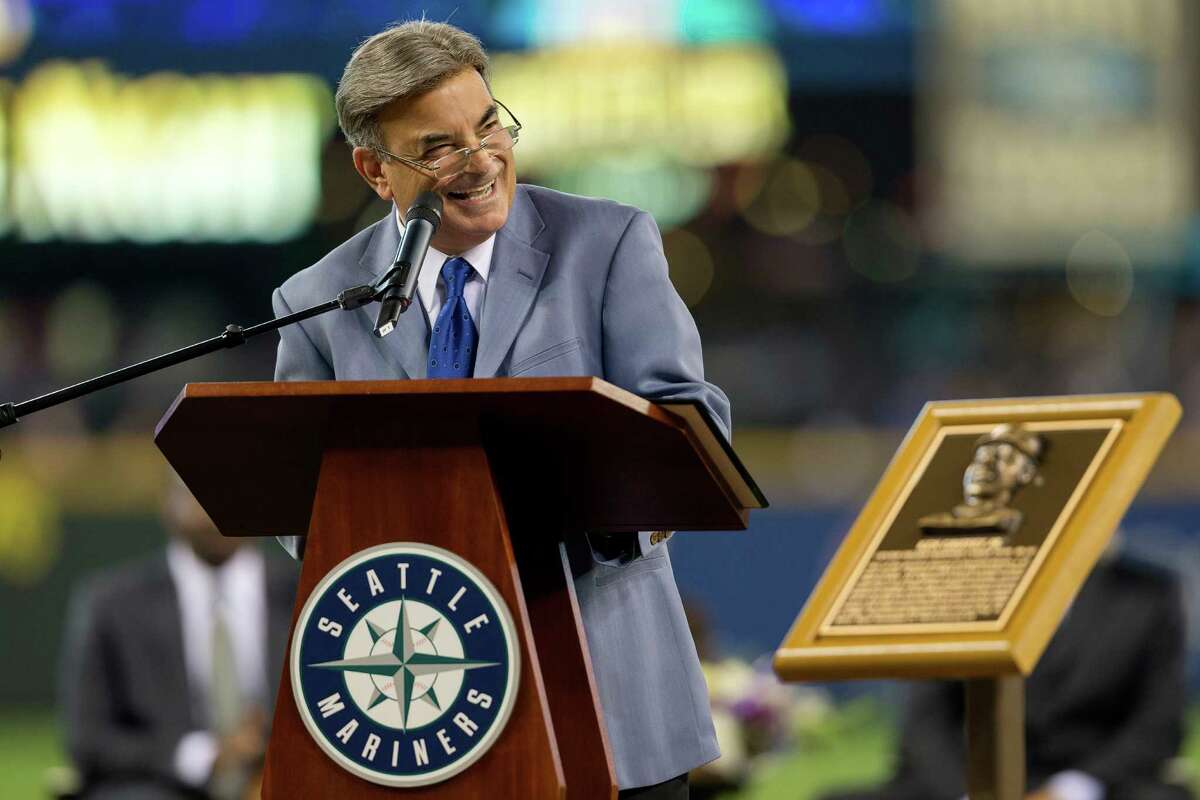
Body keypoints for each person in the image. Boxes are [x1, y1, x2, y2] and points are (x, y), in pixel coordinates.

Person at [271, 20, 729, 798]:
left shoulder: (606, 243)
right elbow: (296, 503)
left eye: (489, 125)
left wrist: (599, 507)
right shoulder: (317, 299)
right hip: (420, 709)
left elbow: (687, 424)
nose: (483, 160)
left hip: (604, 689)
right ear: (375, 170)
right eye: (440, 146)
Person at [820, 556, 1193, 800]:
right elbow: (926, 725)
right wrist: (971, 794)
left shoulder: (1147, 595)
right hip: (967, 782)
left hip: (1091, 783)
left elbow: (1156, 727)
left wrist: (1069, 790)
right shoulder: (963, 587)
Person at [60, 480, 297, 799]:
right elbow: (88, 738)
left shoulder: (306, 592)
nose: (216, 507)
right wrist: (205, 756)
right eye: (198, 488)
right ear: (169, 503)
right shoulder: (113, 602)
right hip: (160, 788)